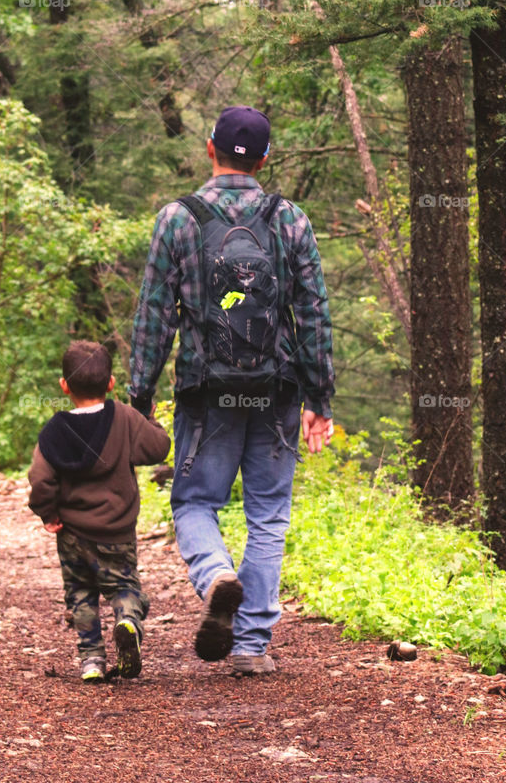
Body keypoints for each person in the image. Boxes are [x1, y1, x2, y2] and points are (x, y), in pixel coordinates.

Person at [128, 105, 334, 675]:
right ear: (264, 159)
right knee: (269, 513)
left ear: (209, 148)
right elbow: (313, 311)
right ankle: (251, 647)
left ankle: (216, 573)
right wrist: (320, 398)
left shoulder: (178, 219)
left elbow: (153, 316)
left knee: (196, 501)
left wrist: (138, 400)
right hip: (277, 391)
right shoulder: (289, 218)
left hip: (206, 390)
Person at [28, 340, 171, 683]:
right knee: (124, 586)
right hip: (117, 532)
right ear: (110, 383)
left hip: (72, 534)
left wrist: (48, 514)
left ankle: (92, 659)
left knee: (80, 594)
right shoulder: (123, 418)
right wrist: (147, 417)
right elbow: (158, 447)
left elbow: (40, 478)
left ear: (64, 386)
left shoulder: (54, 431)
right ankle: (128, 623)